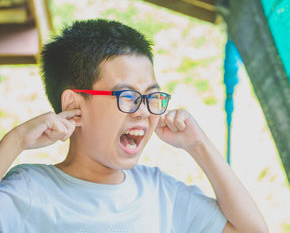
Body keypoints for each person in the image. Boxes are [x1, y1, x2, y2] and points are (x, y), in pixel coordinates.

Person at [0, 19, 268, 233]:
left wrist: (200, 145)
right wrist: (16, 140)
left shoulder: (161, 193)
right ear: (74, 105)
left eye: (151, 95)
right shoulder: (29, 191)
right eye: (127, 96)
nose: (143, 111)